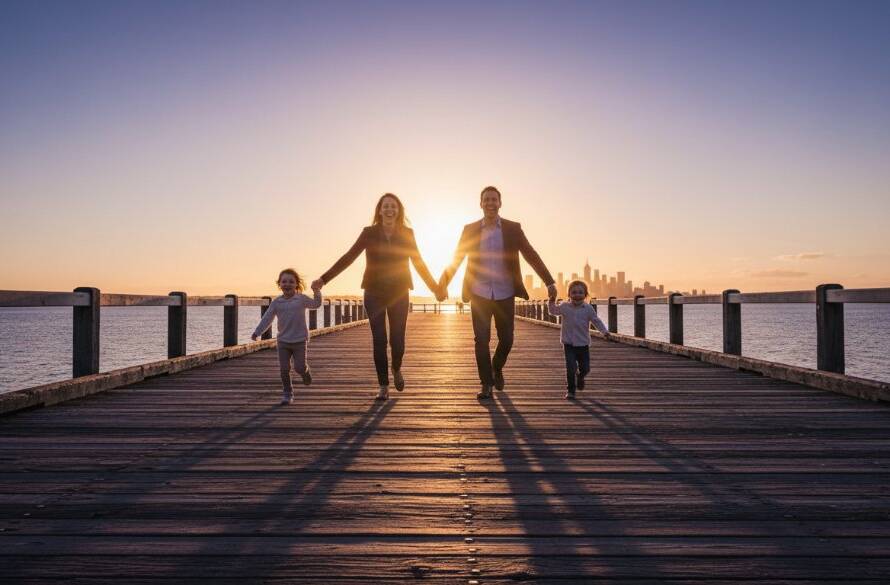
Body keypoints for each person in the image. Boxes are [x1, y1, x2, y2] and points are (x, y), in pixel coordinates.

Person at [313, 193, 441, 401]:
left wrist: (435, 288)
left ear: (398, 211)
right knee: (379, 340)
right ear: (379, 210)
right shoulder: (369, 233)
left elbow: (419, 263)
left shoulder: (408, 234)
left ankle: (396, 367)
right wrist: (324, 279)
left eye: (393, 206)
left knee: (397, 341)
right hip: (374, 292)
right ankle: (383, 385)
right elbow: (349, 257)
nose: (390, 209)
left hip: (399, 292)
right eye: (386, 206)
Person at [438, 186, 557, 400]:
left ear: (500, 203)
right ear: (480, 203)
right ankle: (486, 384)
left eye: (494, 199)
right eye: (486, 200)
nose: (490, 203)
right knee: (481, 340)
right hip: (479, 292)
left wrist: (549, 282)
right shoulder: (470, 229)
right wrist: (443, 283)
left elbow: (531, 254)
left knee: (507, 339)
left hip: (505, 292)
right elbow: (457, 258)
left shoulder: (513, 228)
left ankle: (496, 367)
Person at [251, 268, 323, 405]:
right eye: (284, 281)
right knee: (284, 369)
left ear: (297, 284)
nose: (287, 284)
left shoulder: (301, 299)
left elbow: (316, 304)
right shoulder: (276, 302)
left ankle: (305, 372)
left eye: (291, 281)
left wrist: (317, 291)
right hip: (283, 341)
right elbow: (267, 318)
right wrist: (257, 332)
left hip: (300, 340)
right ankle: (287, 393)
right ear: (279, 284)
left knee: (299, 367)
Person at [548, 279, 610, 399]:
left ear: (585, 295)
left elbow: (596, 321)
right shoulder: (565, 306)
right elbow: (553, 311)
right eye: (574, 292)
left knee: (585, 368)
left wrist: (604, 332)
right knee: (570, 367)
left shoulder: (588, 309)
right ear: (569, 295)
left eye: (580, 292)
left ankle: (580, 376)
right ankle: (571, 390)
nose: (577, 295)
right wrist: (551, 301)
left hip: (583, 344)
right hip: (569, 344)